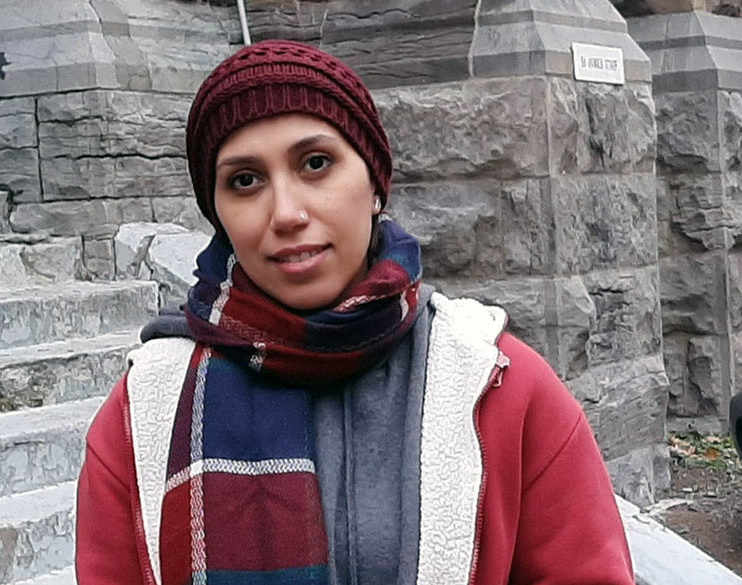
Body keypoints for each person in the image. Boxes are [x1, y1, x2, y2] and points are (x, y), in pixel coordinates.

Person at [75, 39, 634, 585]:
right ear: (219, 213)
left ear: (374, 184)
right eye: (245, 181)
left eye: (316, 163)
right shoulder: (148, 410)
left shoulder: (498, 387)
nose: (287, 212)